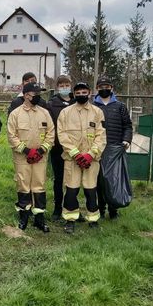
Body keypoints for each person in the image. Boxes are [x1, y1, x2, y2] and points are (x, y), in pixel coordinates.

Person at [57, 82, 106, 234]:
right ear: (74, 93)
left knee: (91, 190)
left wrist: (91, 154)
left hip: (91, 160)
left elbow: (101, 135)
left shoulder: (97, 112)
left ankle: (93, 219)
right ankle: (70, 220)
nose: (81, 95)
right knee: (71, 190)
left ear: (89, 93)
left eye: (84, 92)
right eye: (78, 92)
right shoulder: (65, 113)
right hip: (72, 159)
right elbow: (62, 135)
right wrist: (76, 154)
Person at [7, 82, 54, 233]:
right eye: (36, 94)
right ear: (27, 95)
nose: (39, 97)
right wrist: (27, 151)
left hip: (41, 157)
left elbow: (51, 133)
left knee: (39, 186)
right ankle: (24, 217)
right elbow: (11, 136)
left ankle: (39, 219)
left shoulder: (44, 113)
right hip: (22, 157)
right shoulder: (15, 114)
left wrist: (41, 150)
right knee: (23, 185)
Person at [93, 76, 133, 219]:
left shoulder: (120, 106)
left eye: (107, 86)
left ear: (112, 88)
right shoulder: (93, 106)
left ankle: (113, 210)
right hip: (98, 149)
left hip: (115, 148)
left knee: (114, 181)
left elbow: (127, 125)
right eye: (101, 86)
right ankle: (101, 209)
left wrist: (126, 140)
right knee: (99, 181)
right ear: (97, 89)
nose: (104, 89)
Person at [46, 75, 75, 221]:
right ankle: (57, 208)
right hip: (58, 148)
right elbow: (50, 127)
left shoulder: (77, 102)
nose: (64, 87)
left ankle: (72, 206)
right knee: (58, 179)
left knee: (74, 180)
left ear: (71, 85)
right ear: (58, 87)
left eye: (67, 84)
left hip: (75, 149)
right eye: (62, 85)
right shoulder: (52, 104)